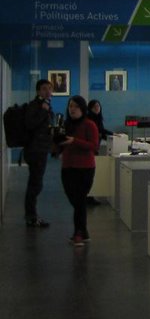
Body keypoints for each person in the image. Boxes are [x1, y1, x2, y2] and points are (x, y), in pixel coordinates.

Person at [58, 95, 100, 246]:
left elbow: (94, 145)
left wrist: (74, 141)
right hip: (68, 167)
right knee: (74, 200)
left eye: (76, 106)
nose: (72, 109)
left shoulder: (90, 124)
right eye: (70, 106)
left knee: (80, 200)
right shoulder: (65, 125)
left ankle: (78, 233)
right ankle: (83, 231)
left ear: (82, 108)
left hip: (85, 168)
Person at [21, 79, 55, 228]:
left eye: (50, 88)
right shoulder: (35, 105)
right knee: (35, 184)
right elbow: (30, 124)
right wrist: (43, 111)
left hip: (41, 148)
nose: (48, 91)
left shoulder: (45, 105)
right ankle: (31, 216)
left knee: (36, 183)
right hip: (35, 150)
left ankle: (31, 215)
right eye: (44, 88)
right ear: (38, 91)